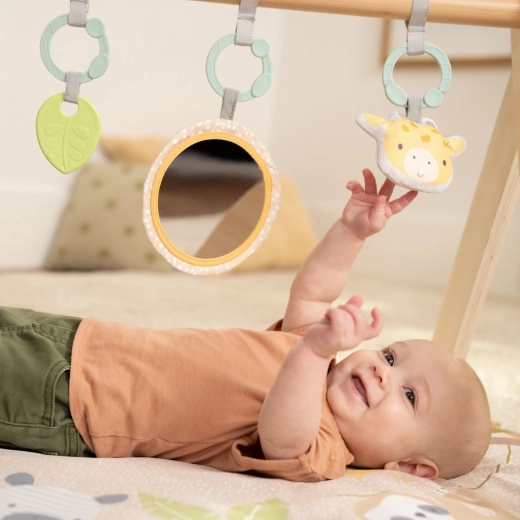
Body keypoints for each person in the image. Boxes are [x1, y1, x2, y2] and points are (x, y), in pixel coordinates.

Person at [0, 169, 491, 482]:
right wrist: (350, 232)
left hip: (71, 405)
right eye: (390, 355)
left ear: (408, 466)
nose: (384, 372)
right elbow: (314, 292)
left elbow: (281, 436)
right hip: (84, 339)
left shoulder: (323, 451)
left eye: (410, 395)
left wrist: (314, 351)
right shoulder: (315, 355)